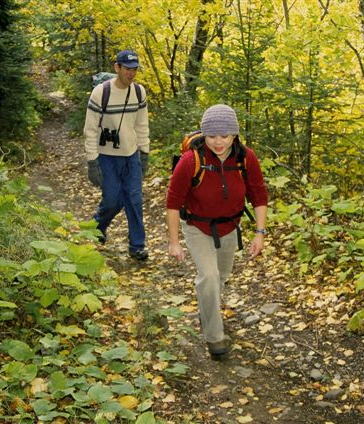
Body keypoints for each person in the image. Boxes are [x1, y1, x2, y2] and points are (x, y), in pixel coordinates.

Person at [166, 104, 268, 358]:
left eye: (224, 136)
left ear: (234, 134)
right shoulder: (191, 160)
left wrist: (259, 232)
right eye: (212, 136)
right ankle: (214, 337)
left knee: (221, 276)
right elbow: (173, 201)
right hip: (198, 227)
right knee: (209, 277)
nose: (218, 142)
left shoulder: (246, 157)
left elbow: (259, 194)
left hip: (229, 227)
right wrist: (174, 241)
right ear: (204, 134)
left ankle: (206, 308)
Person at [84, 49, 150, 260]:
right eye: (127, 69)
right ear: (117, 68)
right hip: (106, 156)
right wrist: (92, 162)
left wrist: (145, 152)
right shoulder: (100, 93)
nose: (131, 74)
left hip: (131, 155)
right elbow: (90, 129)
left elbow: (142, 125)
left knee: (134, 199)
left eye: (135, 70)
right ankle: (98, 226)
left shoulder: (139, 93)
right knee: (112, 199)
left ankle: (137, 246)